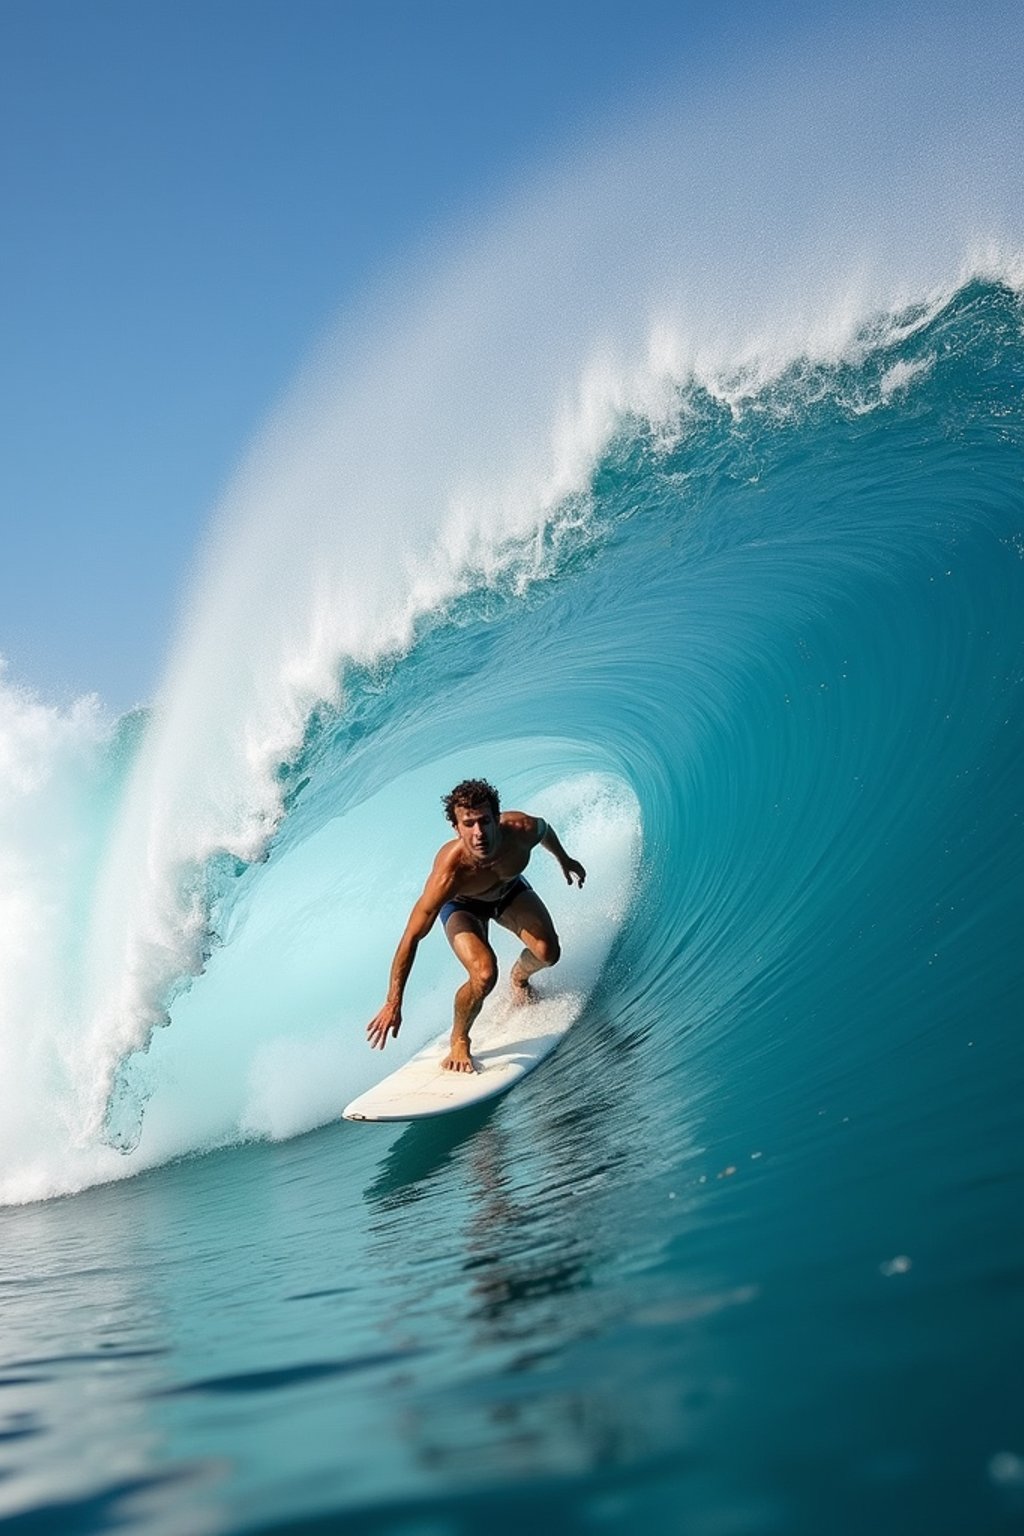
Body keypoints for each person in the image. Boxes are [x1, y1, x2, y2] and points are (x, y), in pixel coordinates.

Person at [366, 778, 586, 1073]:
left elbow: (545, 830)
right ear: (456, 828)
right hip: (462, 907)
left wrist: (564, 859)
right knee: (484, 974)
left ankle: (519, 979)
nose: (478, 832)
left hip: (508, 892)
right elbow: (411, 936)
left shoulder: (521, 830)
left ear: (497, 818)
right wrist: (393, 1002)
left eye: (484, 821)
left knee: (548, 952)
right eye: (468, 824)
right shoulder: (449, 874)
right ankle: (460, 1039)